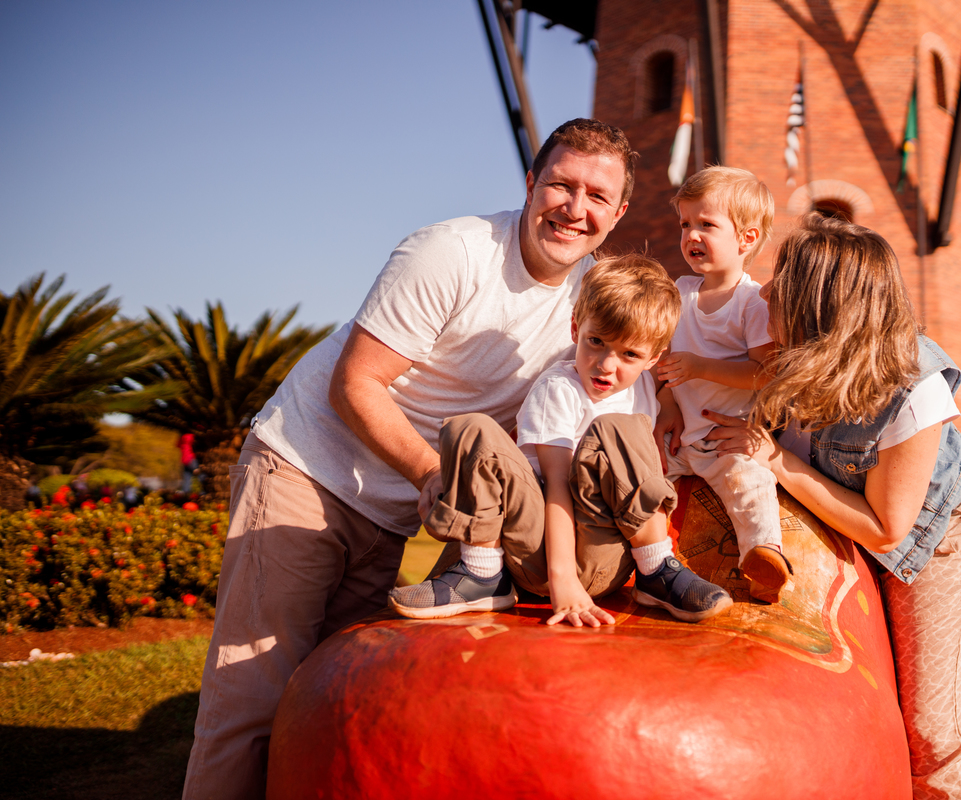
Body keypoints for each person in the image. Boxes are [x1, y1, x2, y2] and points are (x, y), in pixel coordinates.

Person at [182, 118, 637, 800]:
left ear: (619, 212)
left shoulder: (593, 302)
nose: (576, 208)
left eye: (597, 196)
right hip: (308, 468)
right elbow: (355, 382)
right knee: (253, 694)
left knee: (330, 698)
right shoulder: (450, 252)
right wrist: (436, 479)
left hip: (395, 505)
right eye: (561, 185)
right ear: (529, 185)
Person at [708, 213, 961, 800]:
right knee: (915, 693)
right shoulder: (790, 355)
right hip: (861, 515)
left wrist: (776, 463)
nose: (765, 291)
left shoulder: (912, 384)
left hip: (942, 537)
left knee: (933, 724)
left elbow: (888, 528)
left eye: (783, 283)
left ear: (821, 303)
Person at [390, 255, 733, 626]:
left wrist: (669, 403)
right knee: (471, 427)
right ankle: (483, 574)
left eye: (629, 354)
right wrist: (563, 580)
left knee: (619, 428)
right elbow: (556, 486)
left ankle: (656, 570)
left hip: (607, 551)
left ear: (654, 358)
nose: (606, 364)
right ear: (575, 328)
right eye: (596, 342)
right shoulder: (558, 389)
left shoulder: (648, 390)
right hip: (534, 549)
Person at [654, 166, 789, 602]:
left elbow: (764, 373)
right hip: (679, 433)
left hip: (723, 436)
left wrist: (699, 367)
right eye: (685, 224)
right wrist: (668, 401)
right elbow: (668, 364)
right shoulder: (680, 292)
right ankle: (641, 555)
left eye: (706, 225)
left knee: (751, 484)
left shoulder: (751, 302)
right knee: (643, 481)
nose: (691, 235)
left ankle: (764, 555)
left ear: (746, 238)